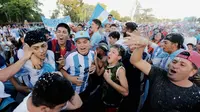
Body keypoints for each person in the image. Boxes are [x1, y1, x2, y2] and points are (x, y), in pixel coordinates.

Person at [124, 32, 200, 112]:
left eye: (182, 65)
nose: (175, 66)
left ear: (192, 72)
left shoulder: (196, 96)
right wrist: (141, 46)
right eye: (174, 62)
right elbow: (136, 61)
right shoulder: (159, 74)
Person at [61, 31, 96, 111]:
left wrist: (94, 68)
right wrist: (70, 78)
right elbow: (61, 70)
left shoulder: (93, 54)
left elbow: (93, 66)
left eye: (85, 42)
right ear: (75, 44)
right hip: (71, 92)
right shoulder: (70, 57)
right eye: (79, 42)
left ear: (89, 43)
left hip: (84, 89)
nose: (82, 45)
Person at [14, 72, 82, 112]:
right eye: (61, 107)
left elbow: (77, 104)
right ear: (44, 109)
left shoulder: (45, 96)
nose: (62, 107)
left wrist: (63, 83)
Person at [102, 44, 128, 112]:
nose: (109, 53)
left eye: (113, 52)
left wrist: (109, 80)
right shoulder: (108, 62)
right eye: (109, 51)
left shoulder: (120, 70)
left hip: (112, 104)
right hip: (104, 99)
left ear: (119, 57)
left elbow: (125, 92)